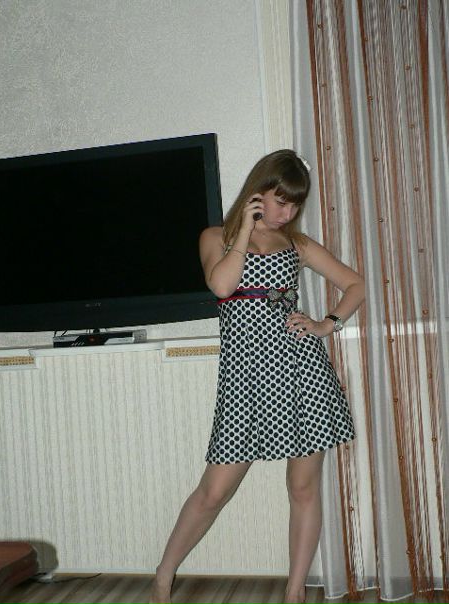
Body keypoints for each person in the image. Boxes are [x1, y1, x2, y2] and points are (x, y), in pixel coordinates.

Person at [148, 149, 365, 604]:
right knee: (213, 492)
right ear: (256, 193)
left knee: (303, 488)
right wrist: (245, 229)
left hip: (302, 374)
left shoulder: (297, 244)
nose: (286, 213)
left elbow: (355, 284)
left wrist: (326, 324)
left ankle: (294, 592)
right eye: (280, 202)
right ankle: (164, 577)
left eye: (294, 205)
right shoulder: (216, 237)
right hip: (244, 380)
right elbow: (222, 285)